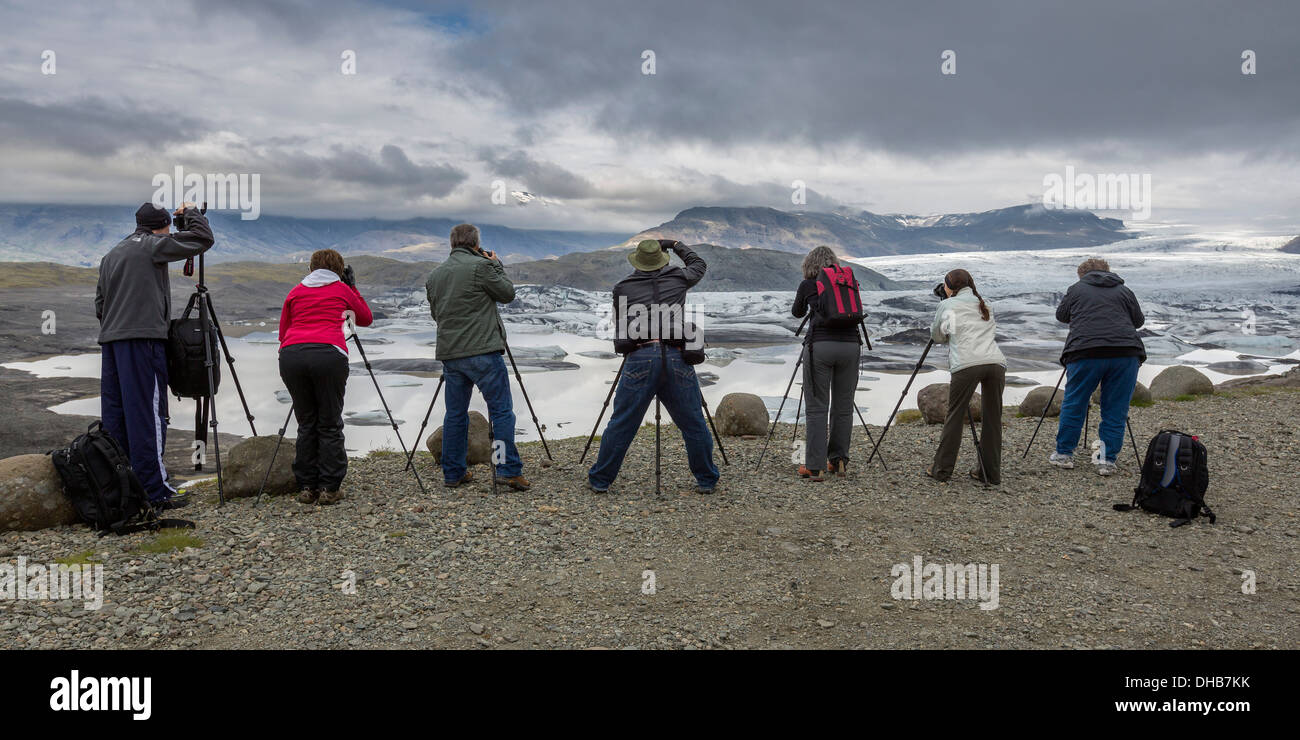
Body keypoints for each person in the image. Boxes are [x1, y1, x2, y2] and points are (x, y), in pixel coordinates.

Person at [95, 202, 213, 510]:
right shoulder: (153, 245)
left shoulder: (112, 254)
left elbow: (100, 304)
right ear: (161, 226)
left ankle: (123, 491)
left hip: (112, 342)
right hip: (143, 341)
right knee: (148, 414)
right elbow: (203, 239)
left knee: (117, 417)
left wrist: (118, 325)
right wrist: (191, 214)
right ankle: (154, 490)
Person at [587, 238, 719, 494]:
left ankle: (600, 479)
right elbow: (699, 264)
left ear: (638, 260)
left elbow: (621, 320)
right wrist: (676, 244)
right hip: (675, 355)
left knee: (622, 422)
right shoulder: (679, 278)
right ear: (663, 257)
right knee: (693, 422)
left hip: (640, 356)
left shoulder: (622, 287)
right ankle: (706, 479)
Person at [425, 223, 530, 491]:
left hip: (451, 353)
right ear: (475, 244)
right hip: (483, 351)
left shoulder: (435, 276)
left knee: (455, 414)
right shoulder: (482, 267)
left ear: (452, 244)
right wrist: (496, 265)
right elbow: (507, 293)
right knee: (501, 411)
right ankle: (506, 469)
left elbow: (437, 314)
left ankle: (453, 472)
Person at [277, 249, 373, 504]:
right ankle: (330, 487)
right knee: (329, 422)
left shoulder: (296, 291)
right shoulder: (341, 290)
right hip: (329, 354)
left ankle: (307, 486)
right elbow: (364, 318)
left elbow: (283, 331)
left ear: (311, 268)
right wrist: (352, 287)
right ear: (339, 270)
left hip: (292, 355)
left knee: (306, 421)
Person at [1050, 257, 1146, 476]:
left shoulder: (1076, 289)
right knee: (1115, 408)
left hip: (1085, 352)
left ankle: (1064, 454)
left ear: (1082, 275)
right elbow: (1138, 321)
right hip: (1125, 353)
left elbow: (1061, 315)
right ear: (1108, 272)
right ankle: (1106, 460)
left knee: (1075, 402)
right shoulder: (1124, 291)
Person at [926, 269, 1007, 484]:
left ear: (950, 287)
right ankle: (990, 473)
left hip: (966, 364)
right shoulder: (985, 304)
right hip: (995, 363)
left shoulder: (947, 305)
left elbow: (938, 336)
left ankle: (942, 470)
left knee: (955, 416)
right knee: (992, 419)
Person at [791, 245, 862, 480]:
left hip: (820, 346)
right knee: (843, 406)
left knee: (817, 407)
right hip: (851, 346)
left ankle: (814, 466)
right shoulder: (845, 283)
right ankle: (839, 461)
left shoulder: (808, 284)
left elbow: (797, 313)